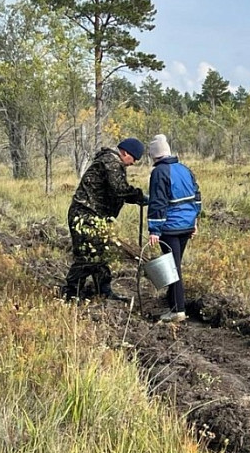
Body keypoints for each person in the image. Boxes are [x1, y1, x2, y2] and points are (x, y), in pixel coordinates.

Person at [62, 138, 147, 301]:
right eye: (134, 159)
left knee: (98, 253)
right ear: (125, 153)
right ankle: (71, 292)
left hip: (95, 216)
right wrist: (139, 196)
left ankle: (104, 291)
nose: (133, 163)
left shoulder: (112, 161)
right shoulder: (111, 162)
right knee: (87, 254)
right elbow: (119, 189)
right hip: (85, 214)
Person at [147, 134, 202, 323]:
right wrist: (194, 221)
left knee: (173, 268)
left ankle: (178, 310)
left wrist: (154, 229)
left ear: (154, 155)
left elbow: (158, 202)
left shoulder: (159, 172)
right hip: (186, 226)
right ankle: (172, 303)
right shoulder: (185, 169)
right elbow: (197, 197)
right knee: (175, 264)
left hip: (170, 227)